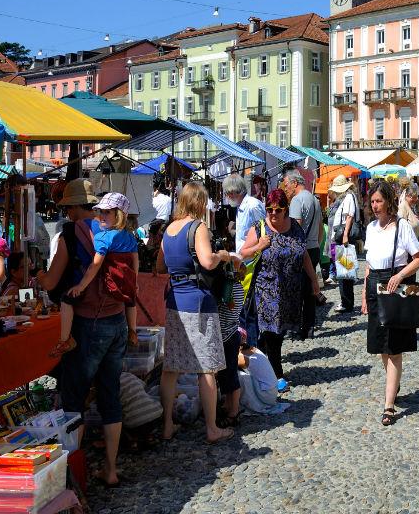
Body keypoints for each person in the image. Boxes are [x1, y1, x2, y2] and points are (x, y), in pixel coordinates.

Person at [38, 179, 126, 487]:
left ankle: (73, 472)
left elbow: (51, 283)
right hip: (117, 322)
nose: (69, 212)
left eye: (69, 207)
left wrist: (38, 274)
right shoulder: (114, 231)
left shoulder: (69, 237)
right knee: (109, 397)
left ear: (75, 208)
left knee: (73, 397)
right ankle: (111, 469)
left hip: (87, 324)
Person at [156, 181, 235, 443]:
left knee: (171, 369)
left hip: (175, 302)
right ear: (200, 203)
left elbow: (160, 264)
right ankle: (212, 428)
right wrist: (223, 255)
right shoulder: (198, 228)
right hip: (198, 302)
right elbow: (207, 261)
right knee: (206, 369)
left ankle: (166, 425)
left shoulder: (169, 230)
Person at [361, 180, 419, 427]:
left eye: (379, 201)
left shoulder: (402, 227)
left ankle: (388, 405)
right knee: (380, 346)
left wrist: (400, 276)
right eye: (372, 201)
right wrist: (364, 297)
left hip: (395, 286)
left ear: (388, 201)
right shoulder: (371, 229)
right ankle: (393, 383)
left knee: (394, 348)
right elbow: (368, 264)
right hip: (375, 286)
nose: (375, 206)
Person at [239, 189, 316, 381]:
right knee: (272, 331)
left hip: (290, 289)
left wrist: (314, 280)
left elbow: (304, 254)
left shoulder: (295, 228)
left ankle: (264, 366)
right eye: (269, 210)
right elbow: (243, 252)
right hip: (266, 289)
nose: (273, 214)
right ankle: (277, 374)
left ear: (286, 210)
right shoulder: (259, 228)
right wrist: (259, 246)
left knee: (280, 331)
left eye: (278, 210)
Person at [52, 193, 139, 358]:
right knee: (131, 299)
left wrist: (81, 286)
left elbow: (95, 265)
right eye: (101, 212)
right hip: (122, 295)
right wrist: (135, 281)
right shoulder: (129, 237)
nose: (102, 216)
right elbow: (135, 259)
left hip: (101, 304)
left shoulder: (103, 237)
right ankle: (133, 331)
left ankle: (65, 339)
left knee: (66, 299)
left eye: (107, 212)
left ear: (118, 215)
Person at [282, 170, 324, 339]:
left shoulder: (297, 201)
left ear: (295, 183)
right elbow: (321, 226)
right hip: (313, 247)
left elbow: (295, 227)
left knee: (296, 289)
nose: (286, 189)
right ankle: (309, 326)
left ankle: (295, 327)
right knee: (310, 289)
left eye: (286, 184)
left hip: (301, 250)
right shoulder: (313, 198)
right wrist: (316, 244)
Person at [327, 175, 359, 314]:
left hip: (342, 239)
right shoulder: (346, 197)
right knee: (343, 271)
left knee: (344, 272)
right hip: (340, 238)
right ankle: (346, 301)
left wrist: (345, 235)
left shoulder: (348, 197)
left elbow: (349, 216)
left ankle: (346, 302)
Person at [223, 174, 266, 260]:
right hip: (245, 259)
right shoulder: (240, 207)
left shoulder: (253, 206)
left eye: (228, 193)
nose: (227, 196)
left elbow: (263, 233)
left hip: (254, 260)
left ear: (235, 191)